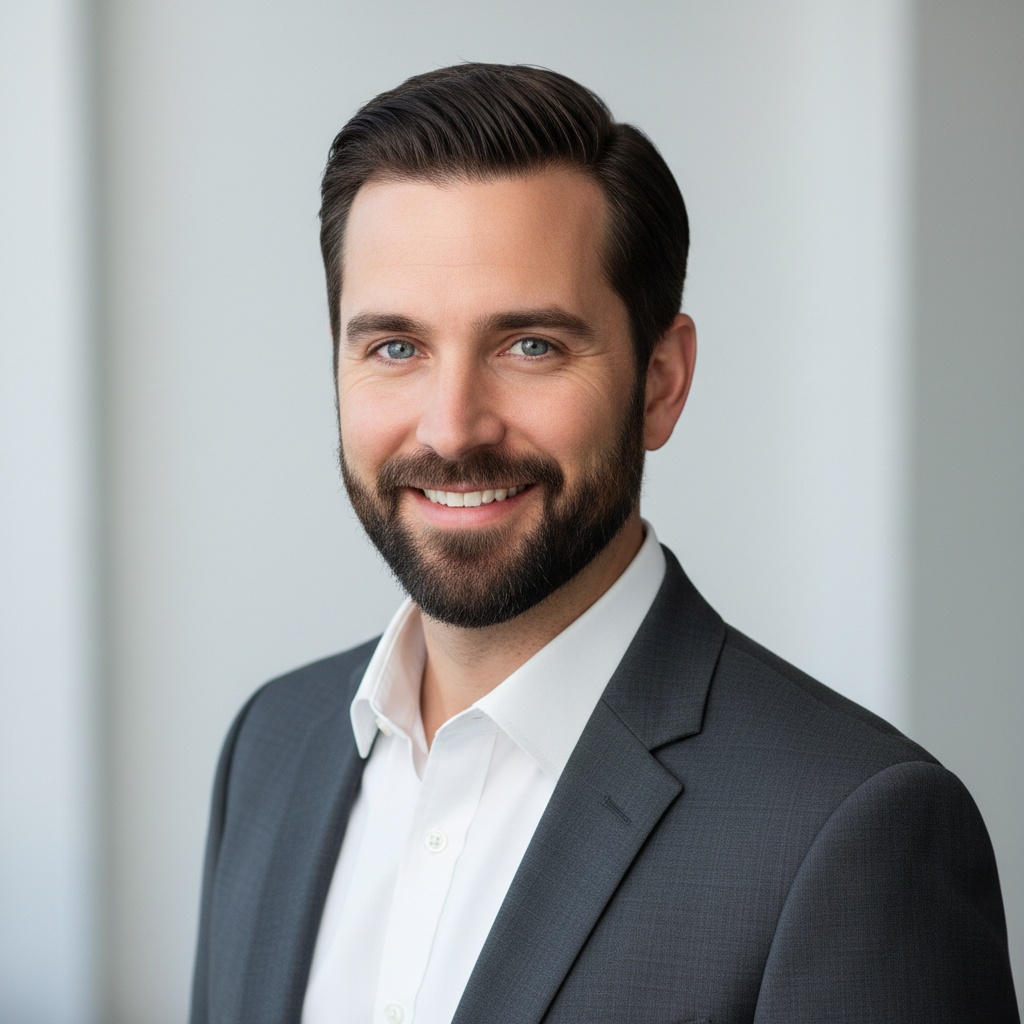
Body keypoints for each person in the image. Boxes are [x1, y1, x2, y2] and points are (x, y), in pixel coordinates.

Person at [189, 64, 1019, 1024]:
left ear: (662, 381)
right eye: (396, 347)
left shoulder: (855, 833)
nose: (452, 430)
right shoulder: (272, 744)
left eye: (530, 345)